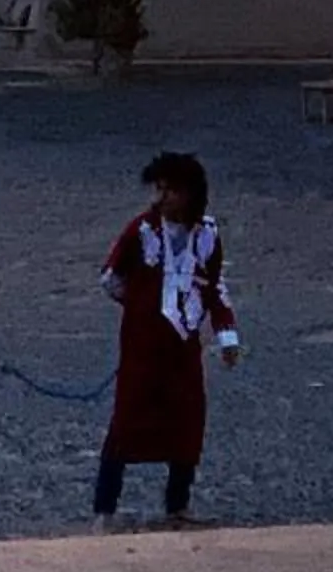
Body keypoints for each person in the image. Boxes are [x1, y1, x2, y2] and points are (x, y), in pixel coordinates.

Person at [93, 150, 239, 526]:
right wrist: (141, 309)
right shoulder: (141, 230)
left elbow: (216, 287)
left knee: (187, 422)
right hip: (141, 351)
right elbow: (110, 277)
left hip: (184, 350)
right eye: (158, 189)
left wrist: (227, 336)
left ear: (188, 194)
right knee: (125, 424)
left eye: (169, 190)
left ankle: (177, 505)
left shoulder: (207, 235)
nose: (160, 198)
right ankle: (104, 510)